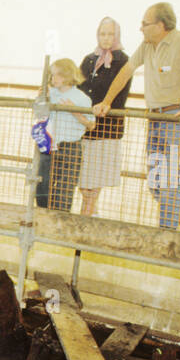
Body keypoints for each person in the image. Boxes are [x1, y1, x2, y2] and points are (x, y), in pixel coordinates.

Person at [93, 2, 180, 232]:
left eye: (145, 23)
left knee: (169, 184)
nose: (140, 28)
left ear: (160, 25)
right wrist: (107, 101)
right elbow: (126, 72)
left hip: (178, 118)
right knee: (155, 185)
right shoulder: (147, 45)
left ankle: (165, 238)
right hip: (156, 118)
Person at [77, 17, 130, 215]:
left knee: (94, 180)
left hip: (107, 128)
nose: (106, 38)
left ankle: (87, 215)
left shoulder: (123, 60)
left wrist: (103, 104)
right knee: (84, 180)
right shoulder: (89, 59)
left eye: (110, 34)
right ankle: (91, 213)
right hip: (86, 126)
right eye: (102, 33)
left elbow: (119, 92)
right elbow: (78, 85)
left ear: (117, 36)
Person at [36, 58, 93, 212]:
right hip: (49, 144)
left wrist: (75, 112)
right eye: (52, 75)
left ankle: (59, 220)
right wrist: (40, 99)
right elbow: (39, 115)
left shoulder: (82, 98)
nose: (53, 79)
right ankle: (42, 216)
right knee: (42, 185)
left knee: (64, 189)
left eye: (57, 75)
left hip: (70, 147)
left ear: (67, 75)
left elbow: (91, 124)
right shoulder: (50, 93)